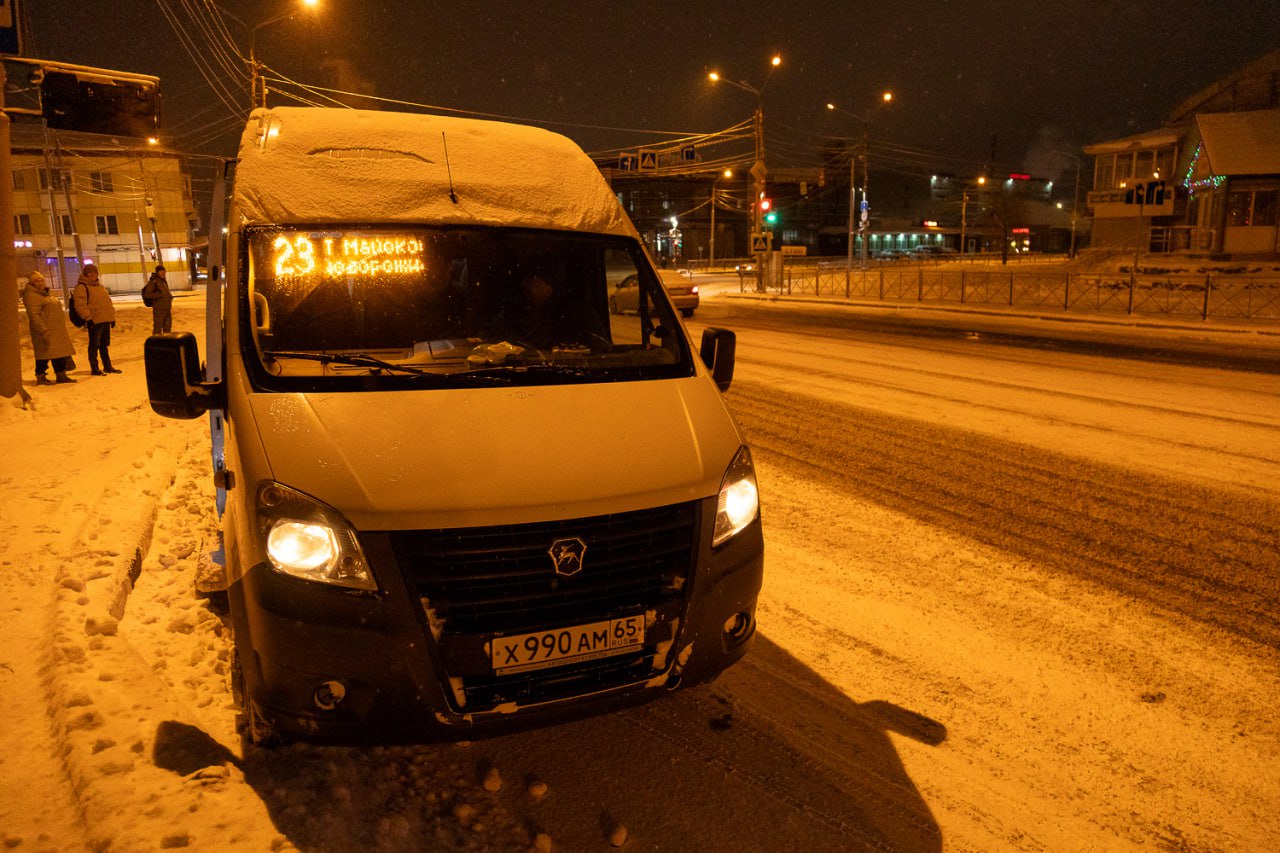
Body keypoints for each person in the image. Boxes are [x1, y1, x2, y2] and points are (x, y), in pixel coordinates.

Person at [21, 270, 77, 385]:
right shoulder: (32, 296)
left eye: (41, 280)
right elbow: (34, 315)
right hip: (44, 330)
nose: (40, 282)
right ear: (31, 283)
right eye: (36, 281)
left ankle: (61, 374)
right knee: (44, 354)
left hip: (55, 329)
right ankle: (41, 376)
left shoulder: (45, 294)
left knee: (58, 353)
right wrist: (43, 329)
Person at [73, 264, 121, 375]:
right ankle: (95, 368)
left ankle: (107, 366)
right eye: (90, 273)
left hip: (105, 320)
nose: (93, 275)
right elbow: (80, 305)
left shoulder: (100, 287)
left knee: (104, 345)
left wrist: (111, 317)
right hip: (94, 321)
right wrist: (88, 318)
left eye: (94, 272)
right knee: (94, 345)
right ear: (85, 274)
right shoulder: (82, 287)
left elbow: (108, 303)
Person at [141, 264, 173, 334]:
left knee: (167, 329)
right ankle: (156, 343)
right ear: (157, 272)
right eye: (161, 271)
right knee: (157, 329)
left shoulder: (163, 281)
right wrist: (159, 295)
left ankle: (167, 343)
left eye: (164, 271)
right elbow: (147, 294)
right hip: (159, 310)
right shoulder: (153, 282)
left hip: (167, 309)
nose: (163, 273)